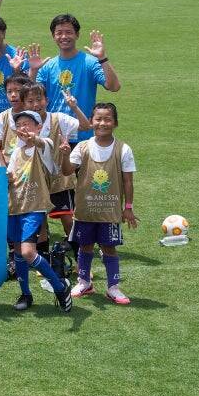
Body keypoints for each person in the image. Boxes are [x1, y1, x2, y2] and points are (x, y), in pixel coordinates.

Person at [64, 102, 137, 304]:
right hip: (85, 211)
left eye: (107, 119)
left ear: (115, 123)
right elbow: (66, 171)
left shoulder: (123, 149)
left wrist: (128, 207)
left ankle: (113, 287)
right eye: (98, 119)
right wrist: (64, 154)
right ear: (91, 121)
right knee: (85, 246)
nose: (102, 123)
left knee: (109, 247)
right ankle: (84, 282)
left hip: (110, 211)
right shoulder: (82, 147)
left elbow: (128, 181)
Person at [1, 109, 73, 313]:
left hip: (34, 206)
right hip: (14, 207)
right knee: (17, 251)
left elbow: (42, 145)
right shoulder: (16, 152)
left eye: (27, 124)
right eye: (19, 125)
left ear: (38, 127)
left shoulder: (45, 144)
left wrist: (35, 139)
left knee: (27, 251)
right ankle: (26, 293)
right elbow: (10, 176)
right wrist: (6, 177)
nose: (22, 128)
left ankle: (59, 287)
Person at [32, 15, 122, 142]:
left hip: (83, 136)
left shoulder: (90, 62)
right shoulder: (47, 67)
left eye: (69, 32)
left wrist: (102, 58)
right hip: (54, 136)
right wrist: (33, 71)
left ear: (77, 35)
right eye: (59, 33)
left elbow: (114, 87)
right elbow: (31, 95)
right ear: (53, 36)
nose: (64, 36)